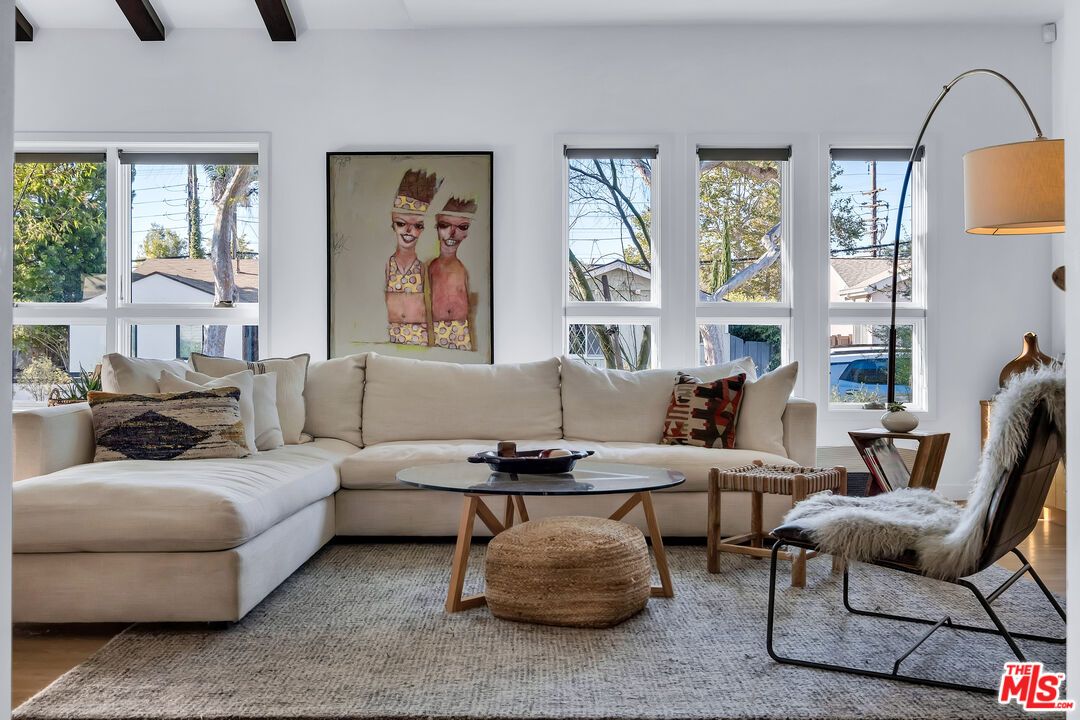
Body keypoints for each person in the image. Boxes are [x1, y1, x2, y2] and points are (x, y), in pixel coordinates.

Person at [385, 169, 440, 346]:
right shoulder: (388, 265)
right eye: (401, 224)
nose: (409, 231)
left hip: (419, 340)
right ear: (393, 225)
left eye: (417, 226)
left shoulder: (423, 267)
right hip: (391, 340)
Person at [428, 196, 476, 351]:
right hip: (435, 332)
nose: (452, 233)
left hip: (462, 333)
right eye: (444, 225)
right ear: (437, 228)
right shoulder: (429, 267)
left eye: (462, 227)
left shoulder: (465, 269)